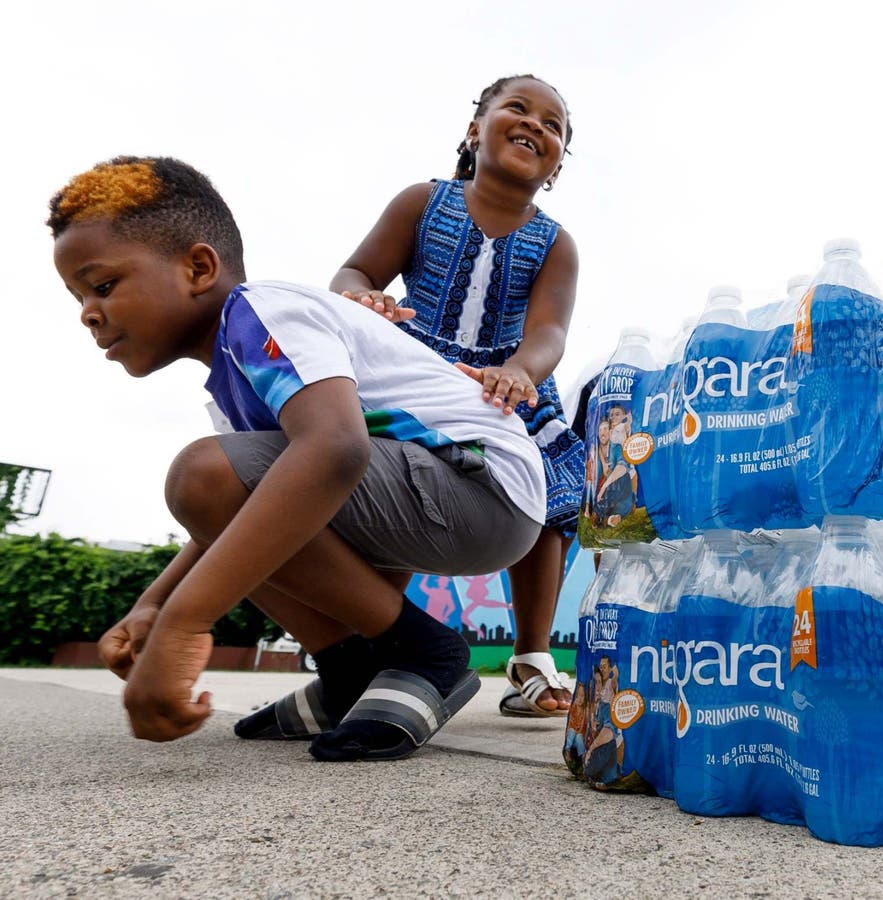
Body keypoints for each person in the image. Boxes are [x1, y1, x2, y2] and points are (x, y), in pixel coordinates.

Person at [46, 156, 546, 760]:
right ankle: (348, 673)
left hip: (484, 486)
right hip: (436, 498)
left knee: (204, 476)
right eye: (77, 297)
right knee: (228, 496)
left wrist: (184, 623)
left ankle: (422, 653)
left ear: (199, 267)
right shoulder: (232, 385)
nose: (88, 313)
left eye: (102, 286)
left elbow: (335, 450)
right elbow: (235, 517)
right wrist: (151, 604)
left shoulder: (263, 311)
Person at [330, 74, 583, 717]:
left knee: (549, 497)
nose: (535, 125)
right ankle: (382, 646)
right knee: (390, 488)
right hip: (418, 371)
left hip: (505, 385)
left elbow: (550, 330)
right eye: (518, 109)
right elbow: (354, 272)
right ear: (476, 128)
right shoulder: (423, 201)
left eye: (553, 125)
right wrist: (366, 298)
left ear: (556, 165)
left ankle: (530, 654)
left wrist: (522, 371)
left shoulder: (556, 242)